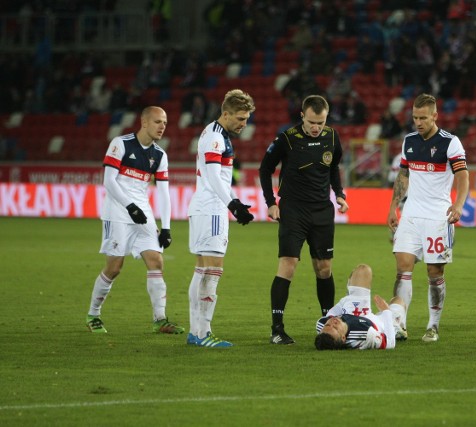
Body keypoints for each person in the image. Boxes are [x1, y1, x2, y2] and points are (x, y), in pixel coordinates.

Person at [259, 94, 349, 345]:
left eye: (320, 123)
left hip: (322, 211)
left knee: (324, 269)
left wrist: (339, 194)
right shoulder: (287, 139)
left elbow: (333, 168)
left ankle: (327, 323)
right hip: (293, 210)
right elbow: (265, 169)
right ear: (302, 116)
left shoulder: (332, 137)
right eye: (311, 122)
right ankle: (277, 329)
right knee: (288, 265)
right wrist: (270, 202)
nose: (315, 127)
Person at [85, 106, 183, 335]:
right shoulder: (121, 144)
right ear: (145, 122)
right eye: (158, 122)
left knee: (156, 261)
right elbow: (109, 181)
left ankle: (160, 320)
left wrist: (166, 227)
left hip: (142, 213)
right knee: (115, 267)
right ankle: (93, 314)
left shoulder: (160, 155)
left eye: (165, 123)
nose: (162, 127)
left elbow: (163, 193)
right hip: (117, 212)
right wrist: (129, 206)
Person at [387, 93, 469, 343]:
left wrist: (458, 205)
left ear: (435, 116)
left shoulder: (450, 142)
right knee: (402, 268)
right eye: (415, 117)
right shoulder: (409, 141)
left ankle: (433, 326)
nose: (418, 122)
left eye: (423, 118)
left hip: (437, 216)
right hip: (411, 213)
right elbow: (403, 176)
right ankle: (399, 323)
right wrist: (393, 207)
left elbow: (463, 177)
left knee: (434, 272)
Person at [186, 89, 256, 348]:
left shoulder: (213, 132)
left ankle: (197, 332)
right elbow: (214, 176)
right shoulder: (216, 138)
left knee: (203, 270)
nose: (244, 123)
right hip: (212, 209)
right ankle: (203, 333)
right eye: (240, 118)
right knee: (212, 272)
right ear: (225, 113)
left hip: (206, 208)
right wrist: (232, 204)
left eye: (246, 118)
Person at [315, 264, 406, 350]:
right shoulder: (364, 335)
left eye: (328, 324)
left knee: (362, 270)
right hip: (379, 323)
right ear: (343, 338)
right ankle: (398, 328)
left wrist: (347, 300)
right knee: (398, 300)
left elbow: (331, 314)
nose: (333, 322)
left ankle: (351, 293)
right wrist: (386, 311)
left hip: (352, 312)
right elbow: (390, 344)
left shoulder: (322, 325)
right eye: (335, 327)